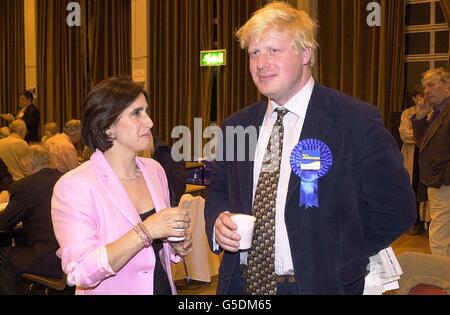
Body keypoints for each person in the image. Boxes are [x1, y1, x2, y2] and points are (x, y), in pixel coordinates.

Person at [204, 2, 416, 295]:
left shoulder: (354, 120)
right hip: (241, 286)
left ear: (306, 53)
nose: (261, 63)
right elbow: (218, 191)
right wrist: (218, 220)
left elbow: (396, 209)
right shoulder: (236, 125)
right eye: (254, 53)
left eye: (273, 50)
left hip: (318, 286)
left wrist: (341, 255)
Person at [51, 77, 192, 295]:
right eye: (136, 113)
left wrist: (175, 246)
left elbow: (157, 249)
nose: (150, 122)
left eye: (146, 111)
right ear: (107, 127)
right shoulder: (74, 186)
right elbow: (80, 271)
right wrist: (146, 231)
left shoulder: (154, 170)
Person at [0, 145, 63, 294]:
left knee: (3, 254)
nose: (24, 173)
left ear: (29, 166)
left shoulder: (25, 186)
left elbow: (3, 224)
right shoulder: (67, 178)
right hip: (73, 256)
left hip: (51, 260)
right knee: (22, 239)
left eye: (24, 169)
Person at [412, 68, 450, 257]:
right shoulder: (435, 112)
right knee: (443, 234)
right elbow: (422, 143)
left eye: (431, 85)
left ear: (447, 86)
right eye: (425, 87)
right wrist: (420, 117)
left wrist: (444, 176)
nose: (426, 91)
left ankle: (441, 281)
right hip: (437, 181)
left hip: (444, 182)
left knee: (439, 237)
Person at [399, 85, 430, 235]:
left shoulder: (432, 111)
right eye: (418, 96)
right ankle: (414, 221)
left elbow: (432, 134)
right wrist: (420, 134)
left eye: (423, 95)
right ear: (413, 98)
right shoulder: (407, 113)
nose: (421, 98)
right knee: (412, 187)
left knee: (426, 189)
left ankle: (428, 221)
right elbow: (404, 134)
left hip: (427, 155)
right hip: (412, 153)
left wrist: (421, 133)